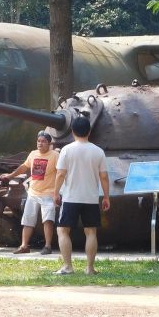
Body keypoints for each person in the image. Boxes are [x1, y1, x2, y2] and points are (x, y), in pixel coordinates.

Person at [53, 117, 110, 275]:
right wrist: (106, 197)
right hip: (91, 198)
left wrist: (56, 192)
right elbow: (104, 177)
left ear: (72, 132)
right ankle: (90, 268)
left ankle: (68, 267)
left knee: (63, 231)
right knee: (91, 232)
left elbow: (60, 174)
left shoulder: (66, 150)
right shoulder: (98, 151)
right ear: (89, 132)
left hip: (71, 197)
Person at [1, 131, 59, 255]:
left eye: (43, 141)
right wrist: (10, 176)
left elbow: (61, 172)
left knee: (48, 220)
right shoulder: (33, 154)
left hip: (49, 193)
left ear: (49, 143)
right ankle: (24, 246)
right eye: (39, 141)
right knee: (27, 220)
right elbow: (24, 167)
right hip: (33, 193)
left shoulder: (55, 155)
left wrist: (58, 191)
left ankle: (48, 246)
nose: (40, 143)